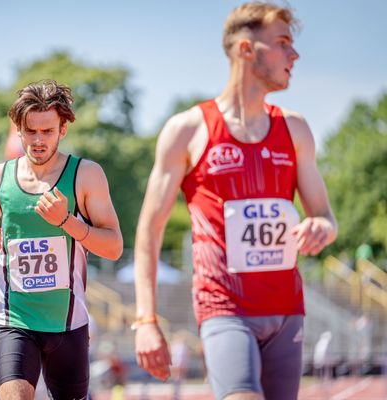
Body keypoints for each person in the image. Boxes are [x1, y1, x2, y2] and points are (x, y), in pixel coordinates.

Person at [133, 3, 338, 400]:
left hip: (287, 311)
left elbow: (326, 217)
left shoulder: (295, 129)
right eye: (282, 44)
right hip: (224, 307)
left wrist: (322, 228)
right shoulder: (188, 130)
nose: (294, 55)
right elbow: (148, 231)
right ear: (246, 49)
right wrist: (145, 319)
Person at [0, 79, 123, 399]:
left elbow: (113, 246)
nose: (38, 140)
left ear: (63, 129)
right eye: (31, 131)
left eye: (47, 131)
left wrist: (66, 221)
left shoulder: (85, 174)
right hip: (15, 319)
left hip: (68, 324)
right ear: (19, 130)